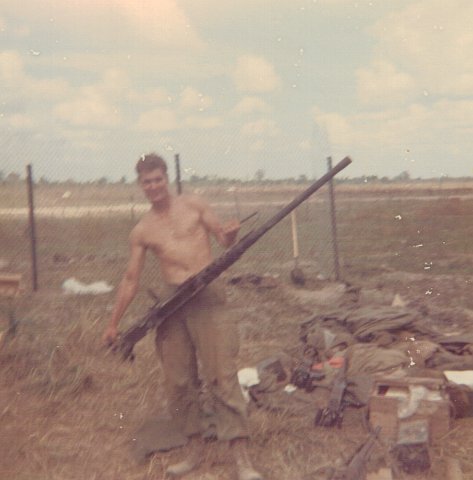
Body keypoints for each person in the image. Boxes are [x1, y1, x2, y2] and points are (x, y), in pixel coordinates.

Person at [102, 153, 263, 480]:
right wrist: (113, 323)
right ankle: (194, 451)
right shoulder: (142, 230)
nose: (154, 186)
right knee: (178, 381)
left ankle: (241, 458)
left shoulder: (193, 205)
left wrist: (230, 234)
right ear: (141, 186)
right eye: (147, 182)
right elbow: (131, 278)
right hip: (172, 304)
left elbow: (221, 237)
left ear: (167, 179)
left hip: (207, 297)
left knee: (222, 374)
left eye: (158, 179)